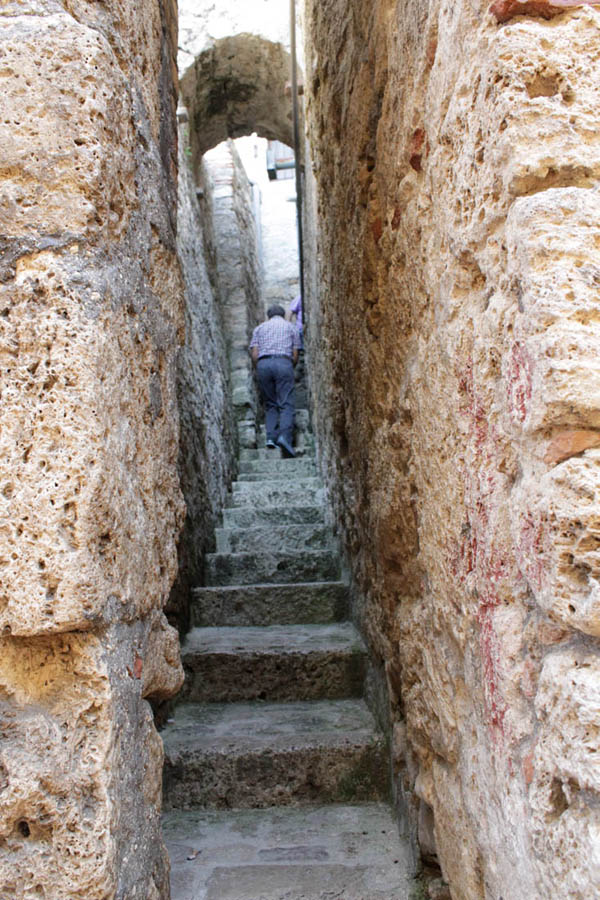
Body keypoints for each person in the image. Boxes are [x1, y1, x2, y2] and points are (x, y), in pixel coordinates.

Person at [250, 305, 300, 457]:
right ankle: (285, 437)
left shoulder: (259, 328)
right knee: (285, 402)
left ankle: (270, 438)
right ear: (283, 315)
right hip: (284, 362)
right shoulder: (291, 328)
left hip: (264, 364)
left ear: (268, 316)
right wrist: (290, 366)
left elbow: (255, 353)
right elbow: (295, 352)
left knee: (270, 403)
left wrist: (259, 367)